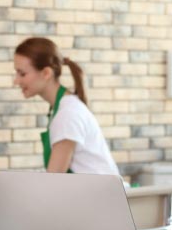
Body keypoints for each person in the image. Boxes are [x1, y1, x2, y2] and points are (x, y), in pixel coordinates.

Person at [13, 37, 119, 175]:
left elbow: (54, 181)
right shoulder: (63, 109)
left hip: (101, 195)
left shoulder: (68, 114)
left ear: (46, 73)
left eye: (22, 74)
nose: (16, 81)